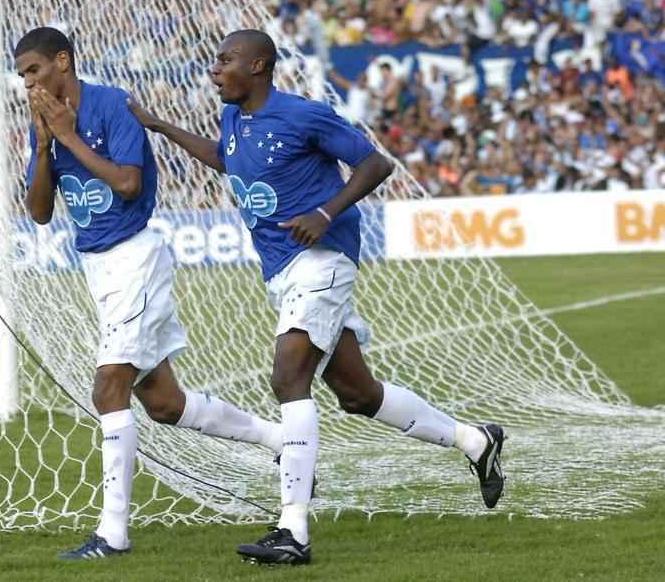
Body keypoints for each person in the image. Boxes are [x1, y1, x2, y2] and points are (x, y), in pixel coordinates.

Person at [128, 29, 506, 567]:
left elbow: (376, 164)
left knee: (288, 377)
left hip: (322, 259)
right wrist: (161, 126)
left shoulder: (303, 115)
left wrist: (326, 212)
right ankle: (475, 441)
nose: (214, 69)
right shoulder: (234, 117)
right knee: (357, 393)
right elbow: (225, 158)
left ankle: (293, 529)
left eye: (225, 60)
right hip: (283, 271)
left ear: (258, 66)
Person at [16, 27, 285, 561]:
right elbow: (40, 212)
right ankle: (279, 441)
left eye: (34, 70)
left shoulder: (111, 107)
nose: (28, 83)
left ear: (63, 62)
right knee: (164, 404)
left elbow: (129, 184)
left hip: (135, 258)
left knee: (107, 389)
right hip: (98, 268)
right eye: (22, 75)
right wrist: (46, 147)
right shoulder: (43, 125)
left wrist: (69, 137)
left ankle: (112, 534)